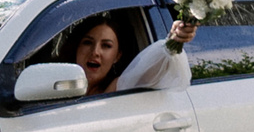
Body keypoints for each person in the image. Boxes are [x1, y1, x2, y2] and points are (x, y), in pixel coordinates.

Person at [68, 13, 196, 95]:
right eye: (88, 43)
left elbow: (150, 72)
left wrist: (173, 40)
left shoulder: (118, 88)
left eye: (106, 46)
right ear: (76, 47)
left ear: (117, 56)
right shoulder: (59, 85)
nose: (95, 52)